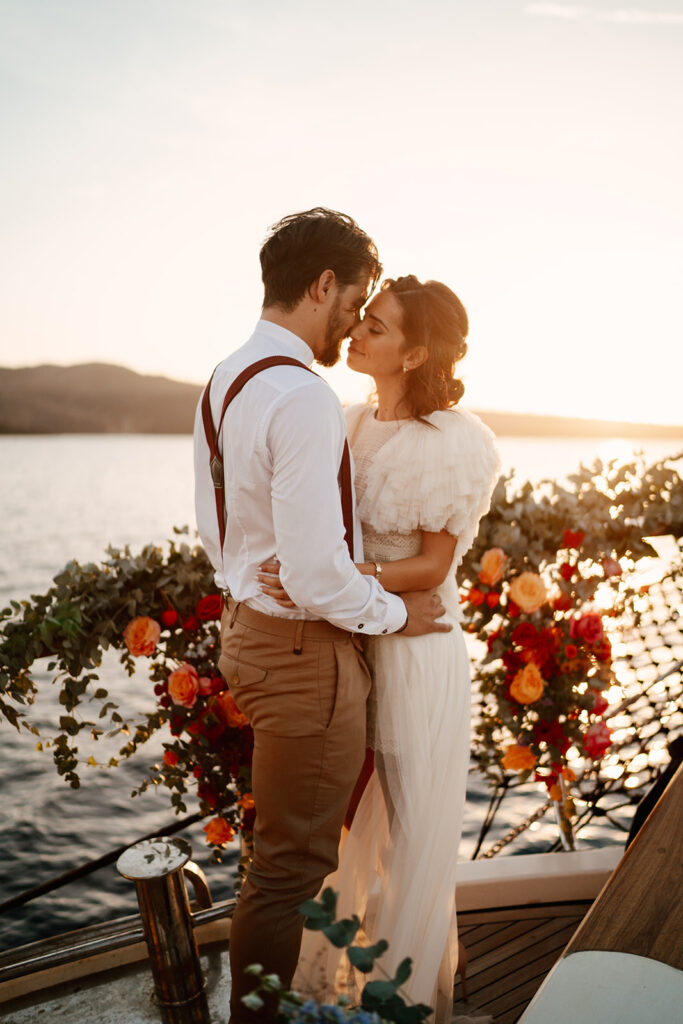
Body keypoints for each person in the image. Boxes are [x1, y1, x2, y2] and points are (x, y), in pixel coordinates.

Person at [193, 210, 451, 1024]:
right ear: (323, 285)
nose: (356, 317)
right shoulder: (301, 397)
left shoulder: (225, 378)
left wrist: (269, 587)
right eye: (356, 299)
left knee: (277, 862)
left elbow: (219, 532)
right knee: (288, 871)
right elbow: (313, 573)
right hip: (304, 654)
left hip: (250, 633)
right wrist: (392, 614)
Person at [262, 275, 500, 1020]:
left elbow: (431, 567)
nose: (358, 332)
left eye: (378, 326)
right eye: (361, 319)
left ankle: (406, 999)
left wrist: (338, 576)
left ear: (416, 351)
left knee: (407, 828)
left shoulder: (454, 442)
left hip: (417, 650)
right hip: (355, 639)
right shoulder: (347, 420)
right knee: (345, 818)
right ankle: (341, 981)